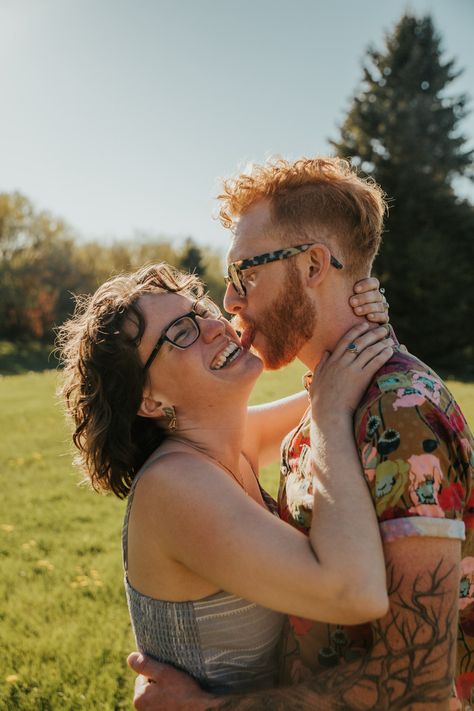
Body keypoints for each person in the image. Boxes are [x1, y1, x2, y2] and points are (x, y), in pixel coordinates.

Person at [129, 157, 474, 710]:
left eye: (245, 273)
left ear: (314, 265)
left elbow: (420, 684)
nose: (231, 305)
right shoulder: (323, 407)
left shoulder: (401, 416)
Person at [58, 261, 392, 694]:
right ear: (149, 401)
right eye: (181, 333)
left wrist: (363, 318)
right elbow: (355, 594)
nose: (214, 327)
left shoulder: (231, 441)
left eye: (199, 310)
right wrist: (329, 413)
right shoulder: (174, 485)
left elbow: (344, 377)